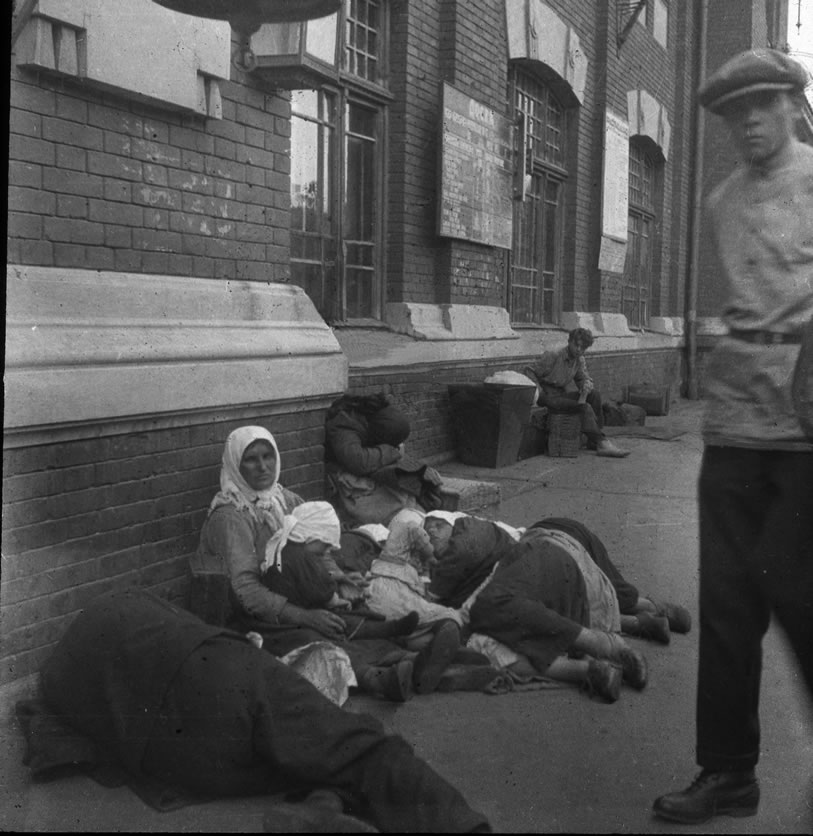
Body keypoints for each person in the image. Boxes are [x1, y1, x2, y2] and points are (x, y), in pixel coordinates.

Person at [652, 48, 813, 825]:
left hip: (805, 434)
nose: (746, 122)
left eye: (759, 105)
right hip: (731, 430)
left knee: (800, 600)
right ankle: (727, 773)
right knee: (725, 607)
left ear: (789, 105)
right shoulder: (721, 200)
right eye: (732, 113)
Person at [34, 588, 491, 833]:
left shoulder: (58, 679)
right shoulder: (131, 606)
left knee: (297, 755)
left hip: (182, 762)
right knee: (357, 746)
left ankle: (322, 807)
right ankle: (460, 827)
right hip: (225, 683)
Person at [191, 426, 458, 702]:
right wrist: (302, 615)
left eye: (268, 456)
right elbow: (245, 590)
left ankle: (413, 660)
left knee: (349, 614)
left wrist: (339, 577)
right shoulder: (231, 517)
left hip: (291, 595)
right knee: (309, 636)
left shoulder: (285, 499)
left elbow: (320, 546)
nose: (262, 466)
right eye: (250, 459)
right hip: (252, 616)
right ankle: (377, 676)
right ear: (235, 465)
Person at [423, 511, 650, 703]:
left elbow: (464, 553)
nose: (431, 532)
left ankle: (604, 645)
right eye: (427, 532)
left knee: (487, 606)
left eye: (438, 526)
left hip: (542, 553)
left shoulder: (469, 530)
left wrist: (435, 595)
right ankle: (592, 670)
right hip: (558, 593)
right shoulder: (454, 570)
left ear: (452, 522)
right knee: (484, 644)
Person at [325, 393, 444, 526]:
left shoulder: (378, 417)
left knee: (409, 487)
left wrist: (415, 469)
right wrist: (392, 452)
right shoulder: (345, 425)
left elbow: (391, 453)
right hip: (346, 479)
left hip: (364, 474)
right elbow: (358, 461)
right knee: (398, 505)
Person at [524, 328, 629, 458]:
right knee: (583, 408)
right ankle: (602, 443)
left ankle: (593, 441)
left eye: (583, 347)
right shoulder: (554, 355)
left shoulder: (579, 360)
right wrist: (538, 393)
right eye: (576, 345)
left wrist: (586, 384)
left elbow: (581, 378)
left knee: (594, 395)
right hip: (545, 396)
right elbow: (529, 371)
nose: (579, 349)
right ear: (569, 341)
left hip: (560, 395)